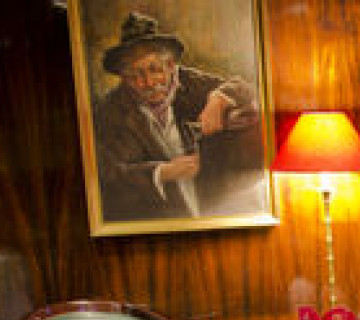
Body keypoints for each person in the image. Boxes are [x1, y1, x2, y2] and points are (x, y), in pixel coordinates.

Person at [94, 12, 260, 221]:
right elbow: (107, 177)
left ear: (171, 66)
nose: (148, 83)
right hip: (155, 221)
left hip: (215, 209)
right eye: (135, 75)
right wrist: (162, 172)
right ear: (124, 78)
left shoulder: (189, 82)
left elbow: (244, 88)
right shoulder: (110, 111)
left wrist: (219, 97)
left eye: (155, 69)